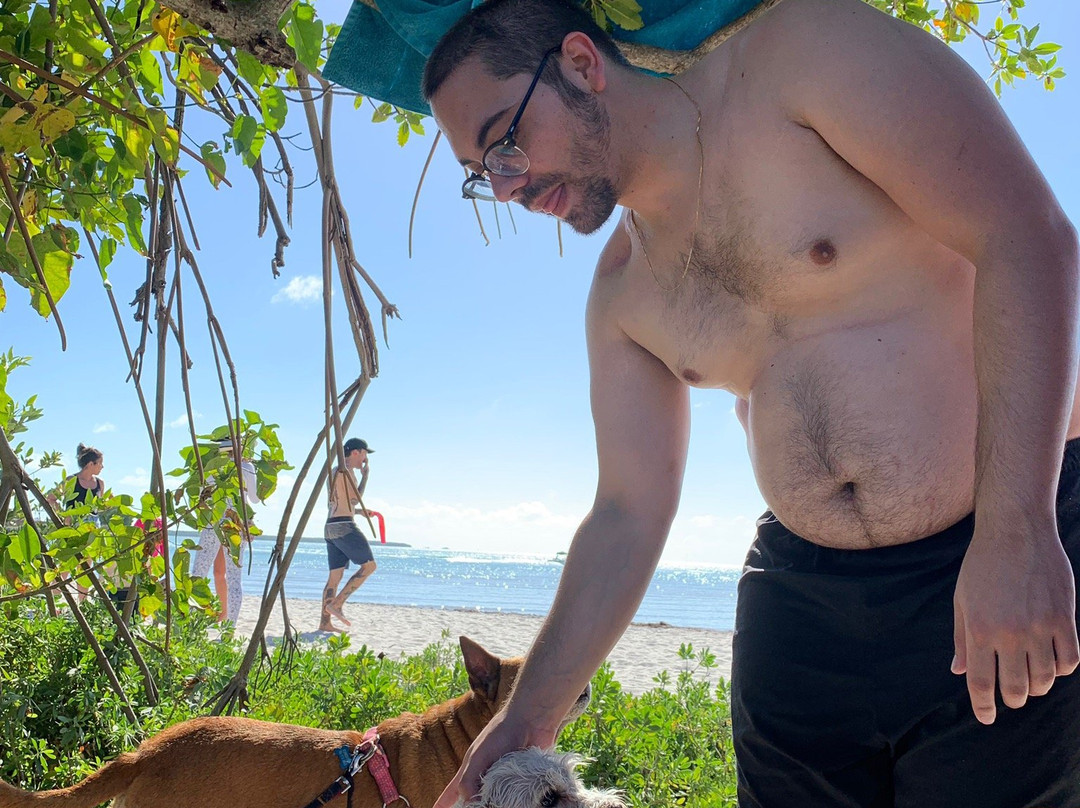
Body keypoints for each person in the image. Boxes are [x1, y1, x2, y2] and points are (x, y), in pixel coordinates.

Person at [421, 0, 1080, 805]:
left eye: (505, 142)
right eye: (481, 173)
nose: (507, 186)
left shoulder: (804, 58)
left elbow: (1026, 232)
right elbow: (628, 510)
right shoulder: (623, 295)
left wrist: (1018, 531)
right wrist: (523, 723)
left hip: (996, 545)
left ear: (583, 65)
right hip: (800, 602)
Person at [190, 439, 260, 625]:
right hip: (236, 523)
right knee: (234, 579)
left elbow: (200, 496)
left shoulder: (211, 467)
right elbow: (255, 499)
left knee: (198, 574)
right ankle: (230, 628)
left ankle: (190, 623)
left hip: (212, 521)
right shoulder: (246, 467)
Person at [319, 437, 378, 632]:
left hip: (331, 526)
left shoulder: (335, 471)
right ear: (355, 452)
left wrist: (360, 512)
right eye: (364, 454)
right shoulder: (346, 472)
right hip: (344, 526)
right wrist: (366, 476)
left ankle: (325, 623)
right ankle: (337, 604)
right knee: (369, 566)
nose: (364, 459)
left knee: (334, 577)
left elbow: (347, 503)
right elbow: (355, 498)